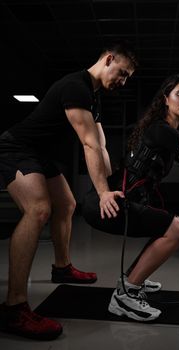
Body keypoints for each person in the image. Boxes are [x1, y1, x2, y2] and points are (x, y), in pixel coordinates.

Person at [0, 41, 138, 340]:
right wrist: (101, 193)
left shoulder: (94, 96)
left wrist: (112, 184)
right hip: (16, 147)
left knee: (67, 204)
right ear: (108, 59)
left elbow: (100, 144)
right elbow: (88, 143)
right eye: (122, 73)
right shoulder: (75, 87)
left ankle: (61, 268)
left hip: (40, 154)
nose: (123, 82)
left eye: (127, 78)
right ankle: (13, 307)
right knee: (38, 209)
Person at [82, 73, 179, 322]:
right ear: (165, 99)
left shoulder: (165, 130)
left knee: (166, 224)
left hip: (117, 201)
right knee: (177, 229)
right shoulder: (162, 131)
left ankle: (131, 279)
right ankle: (125, 296)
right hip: (108, 204)